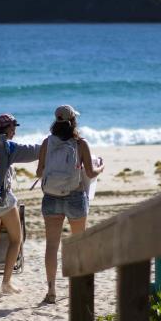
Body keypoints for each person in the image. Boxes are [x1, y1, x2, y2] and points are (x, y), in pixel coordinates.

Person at [36, 104, 104, 304]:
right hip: (75, 197)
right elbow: (90, 172)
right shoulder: (80, 143)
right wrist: (101, 168)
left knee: (51, 246)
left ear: (56, 121)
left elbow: (39, 172)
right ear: (73, 121)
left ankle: (51, 291)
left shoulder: (47, 143)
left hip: (51, 197)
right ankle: (78, 288)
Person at [0, 113, 40, 298]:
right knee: (17, 239)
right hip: (3, 199)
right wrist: (50, 145)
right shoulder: (6, 146)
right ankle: (6, 283)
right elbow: (32, 151)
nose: (14, 131)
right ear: (5, 129)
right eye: (12, 128)